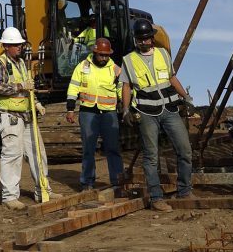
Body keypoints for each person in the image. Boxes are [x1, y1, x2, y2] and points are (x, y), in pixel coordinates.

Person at [120, 18, 192, 212]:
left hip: (169, 109)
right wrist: (125, 109)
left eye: (147, 39)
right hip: (146, 112)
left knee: (185, 151)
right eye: (140, 40)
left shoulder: (163, 54)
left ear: (152, 38)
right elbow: (126, 86)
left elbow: (171, 77)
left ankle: (184, 190)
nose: (144, 42)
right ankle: (156, 198)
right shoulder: (128, 60)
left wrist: (185, 96)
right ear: (136, 40)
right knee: (151, 157)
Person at [0, 26, 55, 210]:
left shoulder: (21, 64)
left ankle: (44, 190)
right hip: (10, 116)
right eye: (15, 44)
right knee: (12, 155)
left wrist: (36, 103)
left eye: (19, 44)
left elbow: (29, 89)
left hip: (27, 115)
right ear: (6, 46)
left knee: (38, 153)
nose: (19, 47)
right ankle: (10, 196)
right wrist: (20, 86)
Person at [65, 37, 123, 192]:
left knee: (112, 148)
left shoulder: (116, 70)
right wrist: (70, 108)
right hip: (88, 112)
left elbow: (122, 90)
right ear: (95, 52)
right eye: (101, 55)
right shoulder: (83, 66)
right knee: (88, 149)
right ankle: (87, 183)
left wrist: (127, 106)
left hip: (109, 113)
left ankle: (117, 182)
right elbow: (73, 87)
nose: (104, 58)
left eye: (107, 55)